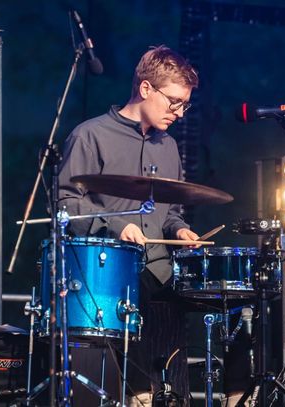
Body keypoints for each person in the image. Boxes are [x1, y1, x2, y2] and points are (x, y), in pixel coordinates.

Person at [58, 45, 199, 406]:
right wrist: (116, 226)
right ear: (146, 88)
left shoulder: (168, 146)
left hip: (160, 271)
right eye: (174, 102)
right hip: (109, 275)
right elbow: (67, 204)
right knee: (133, 311)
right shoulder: (90, 135)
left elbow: (169, 212)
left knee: (235, 301)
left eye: (185, 105)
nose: (178, 113)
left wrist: (179, 230)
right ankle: (135, 395)